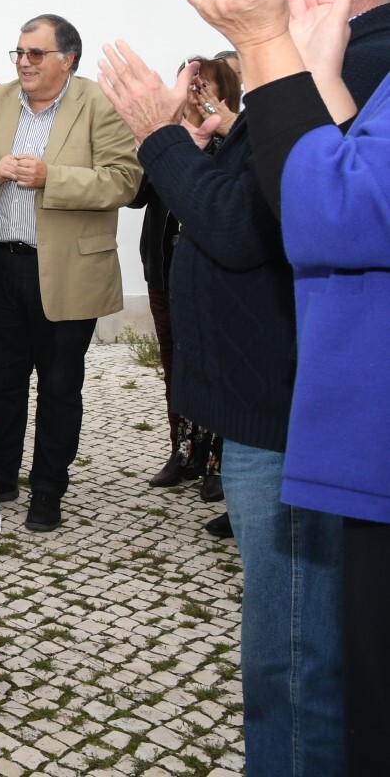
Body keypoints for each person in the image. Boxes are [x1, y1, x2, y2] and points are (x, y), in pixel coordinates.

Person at [174, 0, 390, 777]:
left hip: (327, 413)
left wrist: (267, 52)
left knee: (306, 667)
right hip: (322, 420)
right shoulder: (334, 58)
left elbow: (318, 214)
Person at [100, 35, 334, 774]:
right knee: (284, 655)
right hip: (262, 401)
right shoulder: (289, 98)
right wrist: (213, 138)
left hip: (286, 406)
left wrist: (161, 135)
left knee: (292, 659)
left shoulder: (335, 79)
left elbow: (238, 226)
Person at [0, 14, 142, 532]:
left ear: (69, 59)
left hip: (66, 271)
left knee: (60, 387)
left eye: (36, 54)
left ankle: (48, 489)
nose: (24, 62)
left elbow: (125, 181)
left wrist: (51, 179)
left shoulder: (98, 104)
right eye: (18, 52)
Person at [132, 59, 241, 503]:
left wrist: (216, 130)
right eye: (188, 86)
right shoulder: (170, 139)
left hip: (215, 278)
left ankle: (220, 463)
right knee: (176, 367)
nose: (194, 95)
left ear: (225, 92)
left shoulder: (236, 142)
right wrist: (160, 139)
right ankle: (184, 451)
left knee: (219, 369)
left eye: (203, 87)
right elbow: (137, 196)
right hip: (163, 271)